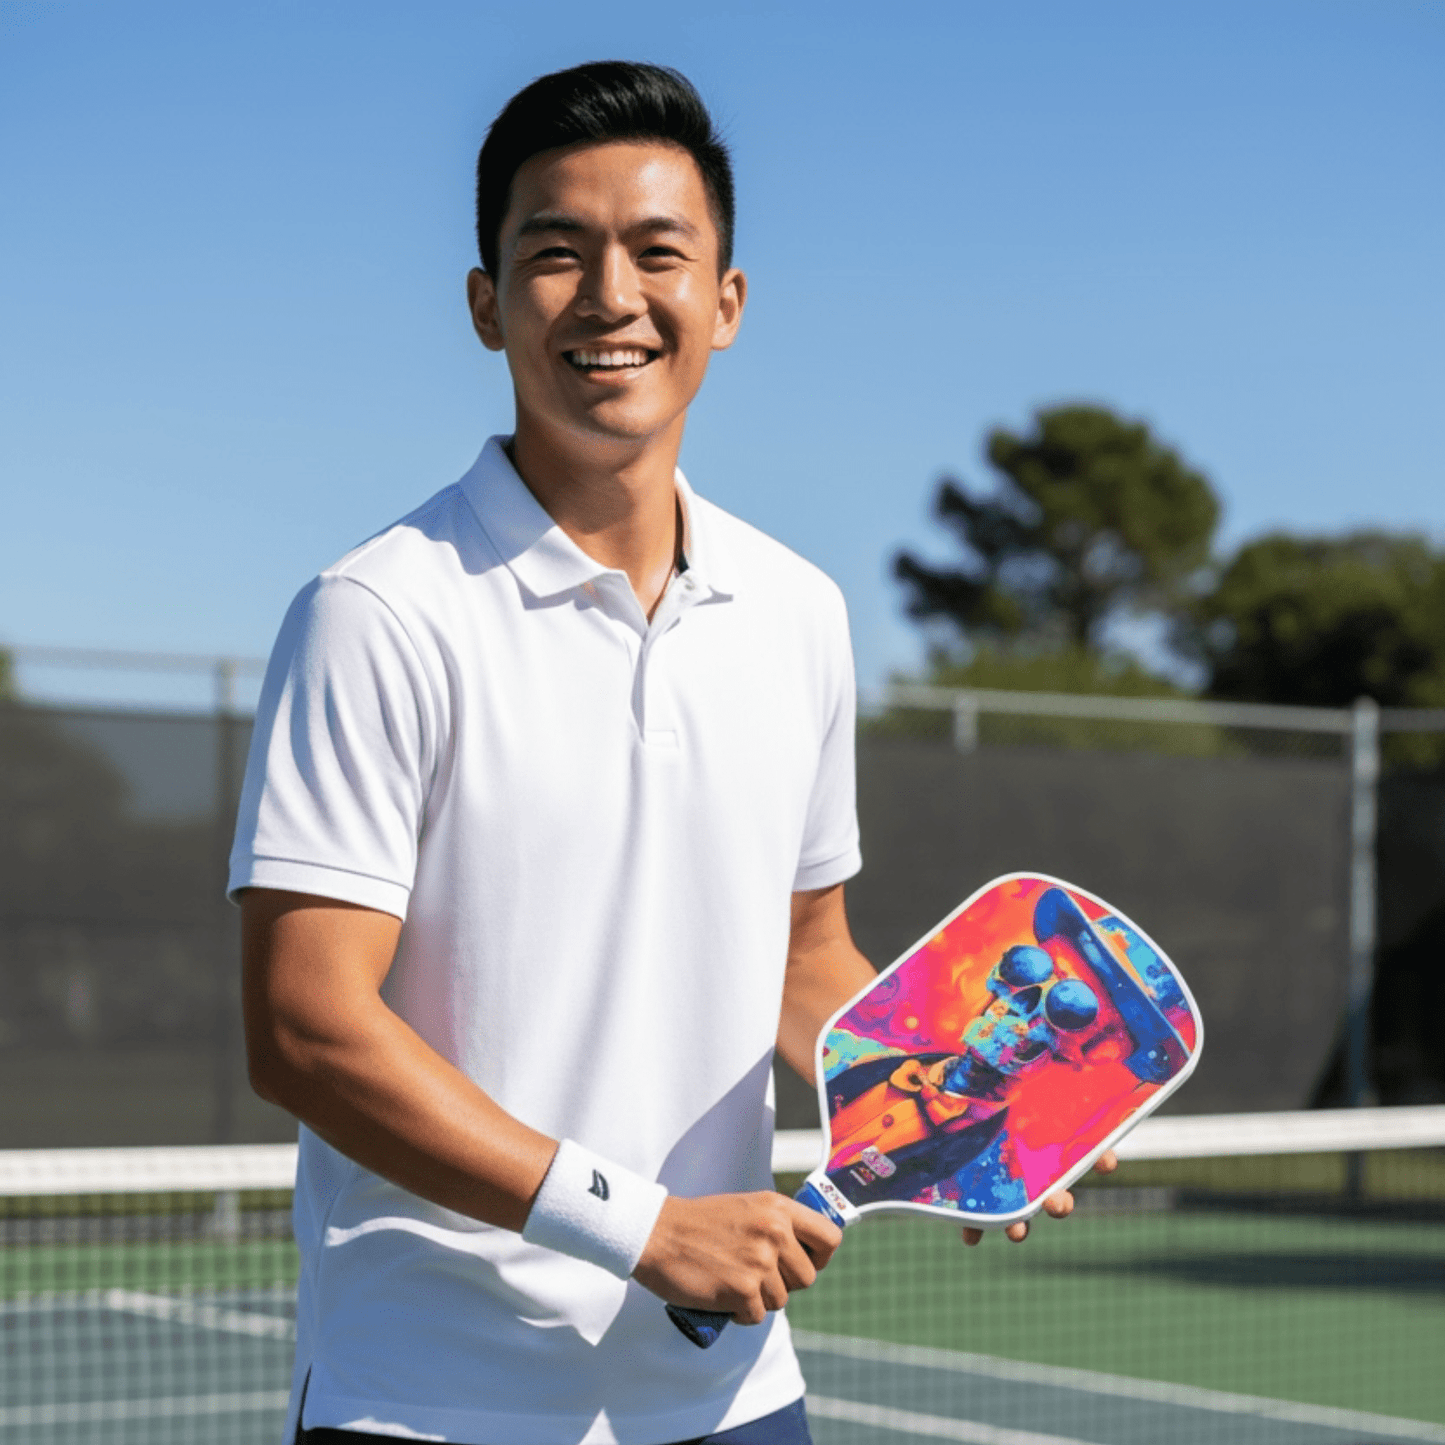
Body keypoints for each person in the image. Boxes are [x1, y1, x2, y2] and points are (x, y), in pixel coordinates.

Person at [232, 61, 1105, 1445]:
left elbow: (806, 960)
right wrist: (640, 1227)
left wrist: (971, 1104)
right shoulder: (377, 614)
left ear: (727, 302)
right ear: (485, 304)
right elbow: (303, 1029)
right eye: (555, 255)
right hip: (432, 1403)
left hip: (733, 1399)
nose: (611, 298)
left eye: (658, 253)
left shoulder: (801, 611)